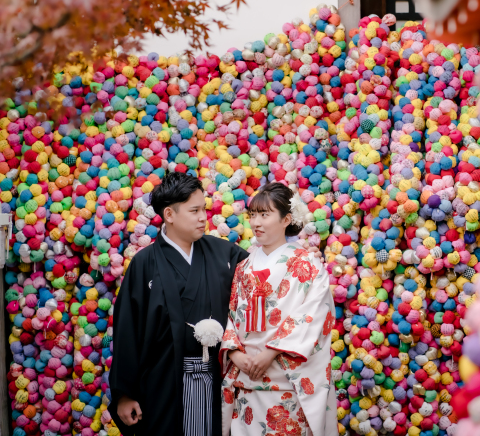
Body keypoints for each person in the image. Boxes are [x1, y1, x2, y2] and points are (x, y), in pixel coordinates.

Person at [108, 172, 322, 436]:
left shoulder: (225, 253)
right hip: (163, 379)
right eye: (195, 210)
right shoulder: (144, 263)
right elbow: (128, 329)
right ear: (169, 215)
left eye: (204, 209)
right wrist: (124, 393)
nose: (203, 217)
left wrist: (299, 258)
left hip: (216, 377)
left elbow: (271, 279)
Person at [220, 182, 336, 436]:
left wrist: (271, 352)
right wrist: (235, 354)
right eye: (252, 215)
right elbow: (231, 315)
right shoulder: (243, 267)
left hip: (286, 382)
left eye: (265, 214)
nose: (256, 223)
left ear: (287, 219)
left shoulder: (307, 264)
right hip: (247, 379)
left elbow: (315, 315)